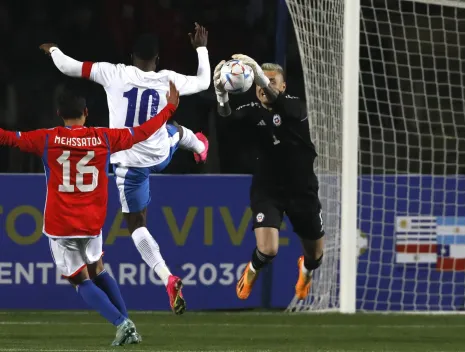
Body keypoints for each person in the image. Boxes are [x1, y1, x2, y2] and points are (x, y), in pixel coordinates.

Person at [39, 23, 211, 315]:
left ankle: (166, 277)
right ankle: (200, 147)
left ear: (132, 56)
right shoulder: (168, 79)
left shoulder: (114, 72)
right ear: (157, 60)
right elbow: (204, 82)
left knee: (137, 226)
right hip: (159, 153)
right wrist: (201, 49)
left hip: (128, 162)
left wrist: (52, 49)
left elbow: (69, 67)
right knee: (176, 130)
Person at [0, 82, 180, 345]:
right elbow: (142, 132)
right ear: (86, 112)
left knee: (79, 280)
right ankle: (129, 324)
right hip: (93, 223)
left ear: (59, 113)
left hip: (61, 225)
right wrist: (169, 109)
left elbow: (7, 138)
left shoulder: (47, 138)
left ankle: (122, 323)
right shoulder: (104, 137)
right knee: (98, 269)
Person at [214, 55, 325, 301]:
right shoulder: (250, 112)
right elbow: (226, 121)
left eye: (272, 82)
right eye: (261, 83)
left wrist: (261, 78)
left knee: (315, 256)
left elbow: (286, 108)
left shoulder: (297, 106)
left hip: (302, 189)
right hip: (268, 189)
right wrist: (221, 96)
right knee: (268, 249)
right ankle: (251, 271)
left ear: (283, 86)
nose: (265, 87)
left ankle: (305, 270)